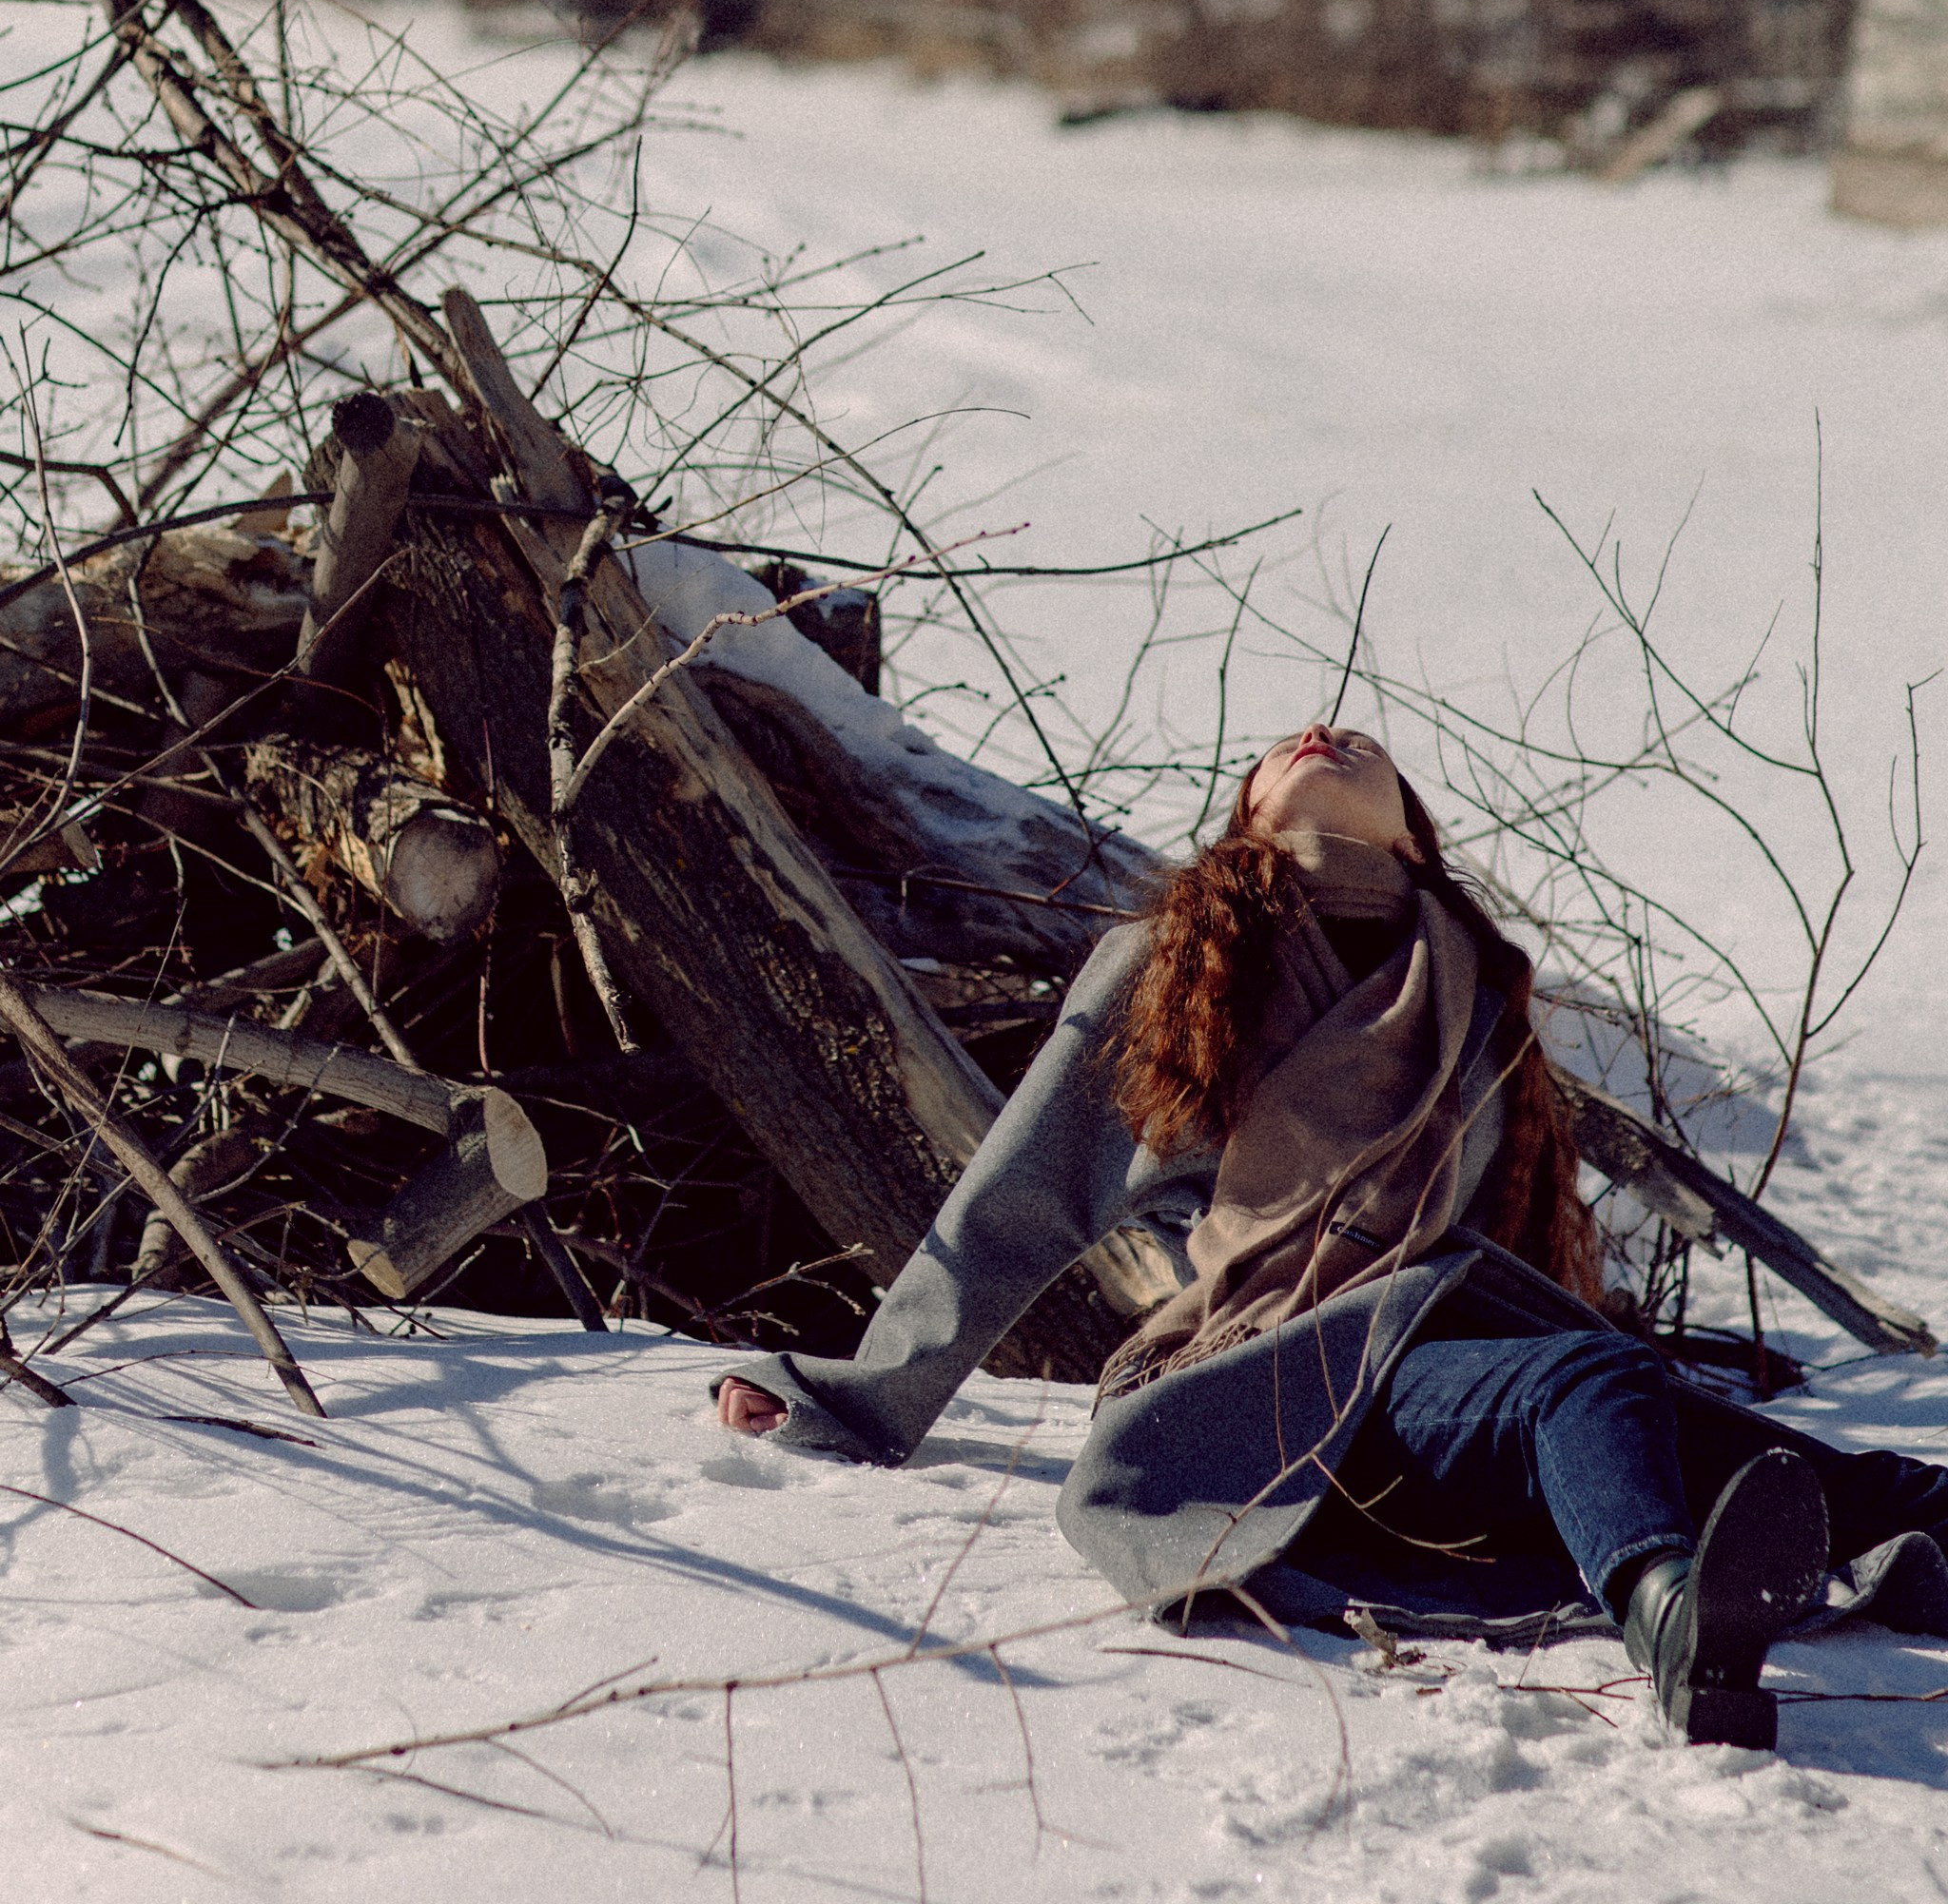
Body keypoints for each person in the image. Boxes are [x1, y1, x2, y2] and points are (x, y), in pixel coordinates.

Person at [716, 723, 1948, 1747]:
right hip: (1260, 1384)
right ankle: (1672, 1621)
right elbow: (1015, 1204)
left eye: (1361, 744)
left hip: (1436, 1365)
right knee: (1592, 1379)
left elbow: (1510, 1243)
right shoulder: (1173, 966)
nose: (1319, 733)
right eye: (1275, 751)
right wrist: (862, 1397)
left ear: (1413, 833)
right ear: (1247, 816)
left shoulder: (1474, 987)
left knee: (1824, 1473)